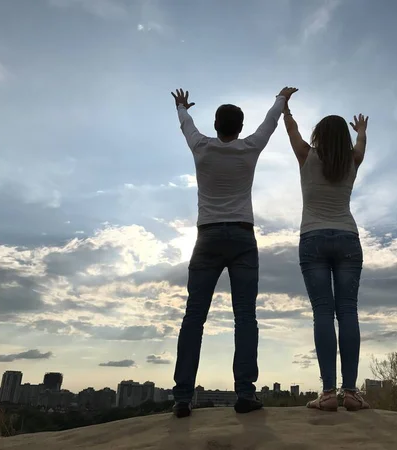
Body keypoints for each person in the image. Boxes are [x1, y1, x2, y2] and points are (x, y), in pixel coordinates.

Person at [170, 86, 298, 418]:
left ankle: (182, 397)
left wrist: (183, 107)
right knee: (245, 317)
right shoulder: (249, 148)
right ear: (240, 128)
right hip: (241, 236)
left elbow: (186, 125)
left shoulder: (201, 146)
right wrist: (281, 99)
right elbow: (270, 123)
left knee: (194, 318)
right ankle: (245, 393)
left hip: (207, 237)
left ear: (216, 125)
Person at [283, 98, 370, 412]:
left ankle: (329, 393)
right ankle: (351, 392)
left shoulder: (307, 155)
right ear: (344, 139)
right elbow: (360, 144)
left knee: (323, 312)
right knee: (347, 312)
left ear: (318, 134)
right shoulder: (353, 159)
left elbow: (291, 130)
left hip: (313, 238)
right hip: (347, 238)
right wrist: (361, 130)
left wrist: (286, 108)